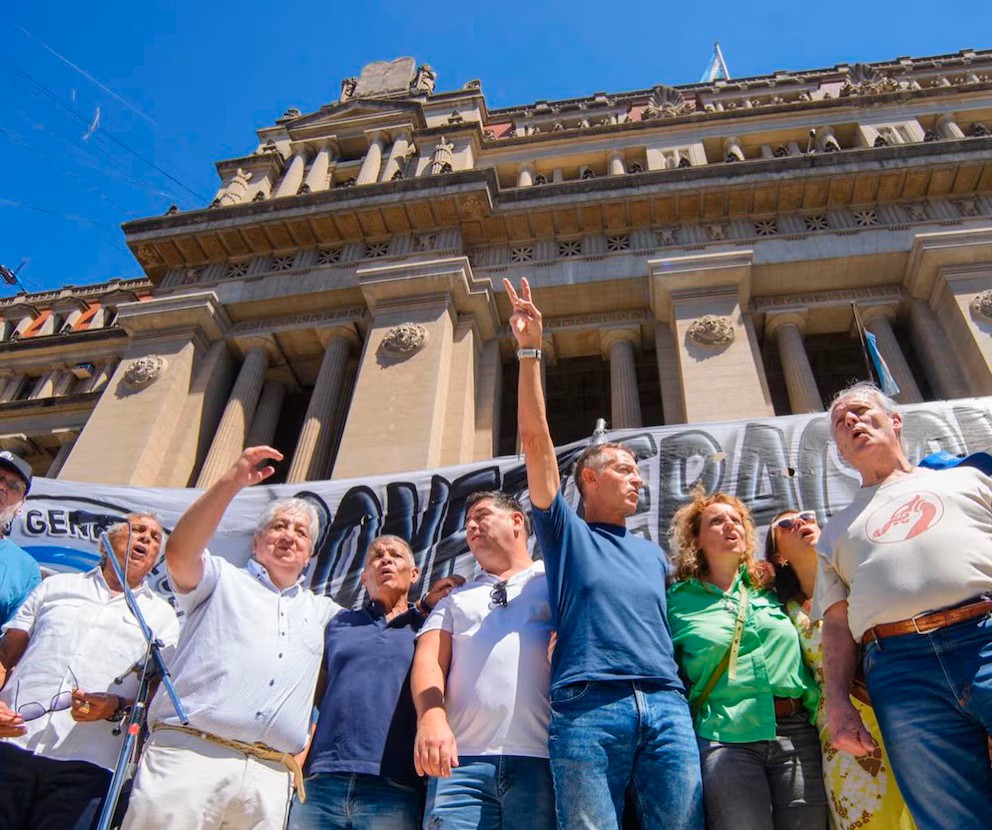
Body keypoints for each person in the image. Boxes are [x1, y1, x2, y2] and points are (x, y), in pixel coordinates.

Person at [504, 277, 702, 830]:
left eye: (638, 471)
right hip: (589, 707)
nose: (637, 479)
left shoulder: (653, 558)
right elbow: (535, 440)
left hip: (666, 705)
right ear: (587, 480)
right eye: (622, 469)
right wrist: (529, 351)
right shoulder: (565, 536)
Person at [123, 446, 342, 830]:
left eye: (300, 532)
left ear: (309, 554)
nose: (289, 536)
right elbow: (178, 553)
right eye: (278, 527)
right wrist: (233, 481)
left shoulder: (322, 612)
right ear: (256, 543)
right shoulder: (220, 579)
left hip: (268, 779)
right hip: (191, 759)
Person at [815, 381, 992, 829]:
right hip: (901, 671)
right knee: (951, 818)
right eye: (841, 421)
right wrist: (837, 704)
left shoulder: (967, 479)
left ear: (895, 420)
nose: (851, 420)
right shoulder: (834, 532)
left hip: (985, 637)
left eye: (860, 410)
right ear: (839, 450)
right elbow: (836, 625)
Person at [0, 513, 179, 830]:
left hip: (90, 762)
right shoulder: (55, 587)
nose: (146, 539)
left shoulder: (162, 617)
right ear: (105, 542)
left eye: (154, 539)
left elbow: (157, 693)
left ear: (155, 561)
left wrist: (115, 706)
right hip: (11, 744)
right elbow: (6, 654)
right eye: (137, 530)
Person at [668, 489, 826, 830]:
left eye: (737, 520)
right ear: (695, 538)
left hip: (796, 733)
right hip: (724, 736)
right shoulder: (675, 601)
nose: (730, 526)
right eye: (717, 521)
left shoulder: (772, 585)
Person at [287, 535, 462, 830]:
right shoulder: (336, 624)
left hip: (395, 785)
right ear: (364, 577)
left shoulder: (431, 629)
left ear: (414, 574)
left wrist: (426, 606)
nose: (386, 560)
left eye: (395, 555)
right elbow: (313, 698)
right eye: (376, 556)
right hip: (320, 782)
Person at [411, 490, 555, 830]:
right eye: (467, 524)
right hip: (461, 764)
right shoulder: (455, 598)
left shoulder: (554, 580)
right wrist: (430, 718)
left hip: (542, 760)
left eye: (481, 516)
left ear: (516, 521)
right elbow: (429, 658)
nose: (471, 527)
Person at [767, 508, 914, 830]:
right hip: (840, 729)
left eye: (806, 516)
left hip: (901, 710)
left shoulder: (859, 579)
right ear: (778, 556)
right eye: (787, 525)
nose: (801, 523)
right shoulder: (778, 613)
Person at [0, 451, 40, 625]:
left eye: (13, 486)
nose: (2, 487)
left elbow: (12, 638)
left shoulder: (26, 569)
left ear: (20, 506)